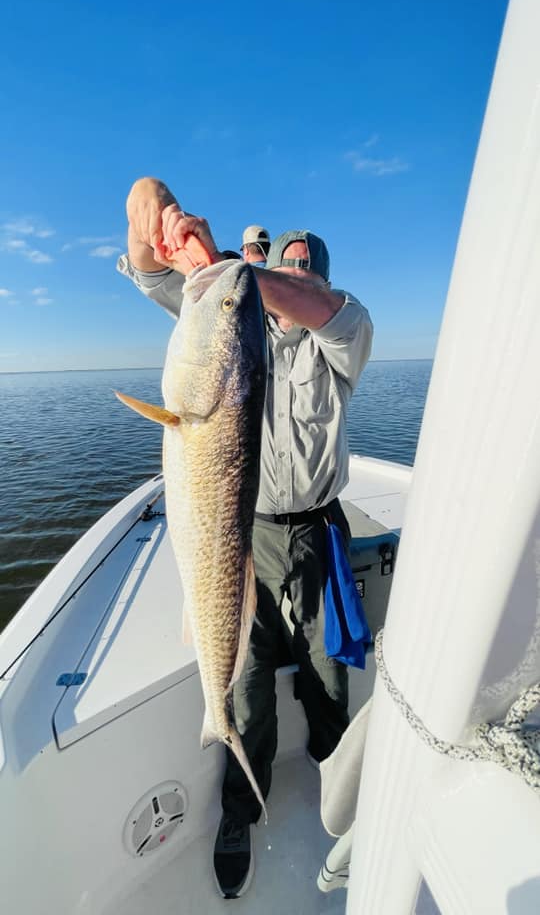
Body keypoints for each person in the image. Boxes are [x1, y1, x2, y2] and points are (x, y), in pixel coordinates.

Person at [117, 176, 373, 900]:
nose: (294, 274)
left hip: (319, 532)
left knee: (328, 678)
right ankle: (240, 805)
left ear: (320, 279)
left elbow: (318, 306)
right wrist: (157, 212)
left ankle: (342, 800)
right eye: (284, 263)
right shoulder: (221, 320)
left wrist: (236, 273)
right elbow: (145, 251)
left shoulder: (343, 333)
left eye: (306, 268)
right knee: (250, 683)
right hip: (244, 531)